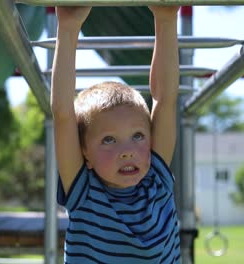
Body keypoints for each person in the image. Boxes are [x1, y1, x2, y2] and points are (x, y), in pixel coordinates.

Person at [51, 5, 181, 264]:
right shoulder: (85, 192)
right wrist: (68, 29)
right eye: (108, 140)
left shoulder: (156, 180)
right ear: (84, 153)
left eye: (138, 136)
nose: (127, 150)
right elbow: (63, 114)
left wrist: (165, 19)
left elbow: (165, 99)